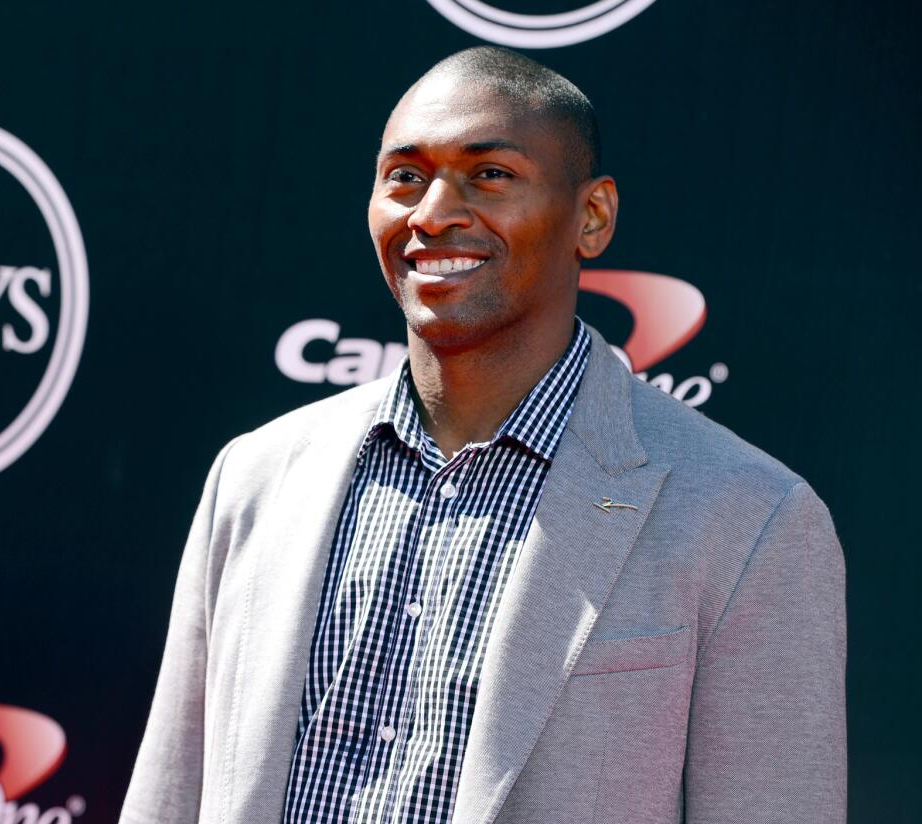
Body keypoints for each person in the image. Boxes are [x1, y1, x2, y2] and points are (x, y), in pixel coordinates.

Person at [119, 47, 846, 824]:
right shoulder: (257, 477)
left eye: (488, 174)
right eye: (404, 177)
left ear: (591, 217)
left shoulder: (750, 520)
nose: (432, 213)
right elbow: (170, 794)